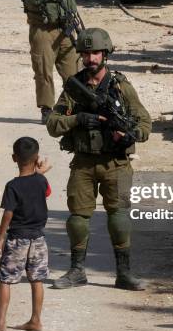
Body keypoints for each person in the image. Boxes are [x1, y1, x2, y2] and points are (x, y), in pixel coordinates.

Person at [46, 28, 152, 290]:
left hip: (115, 163)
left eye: (95, 53)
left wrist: (130, 135)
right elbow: (53, 124)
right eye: (85, 53)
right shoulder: (74, 89)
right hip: (83, 162)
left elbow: (144, 122)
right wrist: (79, 119)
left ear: (105, 54)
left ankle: (124, 273)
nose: (90, 58)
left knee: (119, 217)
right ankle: (77, 271)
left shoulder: (121, 86)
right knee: (78, 219)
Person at [0, 137, 52, 331]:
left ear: (14, 158)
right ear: (37, 157)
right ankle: (36, 320)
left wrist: (0, 237)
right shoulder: (41, 180)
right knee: (36, 280)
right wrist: (40, 171)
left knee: (5, 280)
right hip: (38, 238)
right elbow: (46, 192)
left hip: (17, 239)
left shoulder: (12, 186)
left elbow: (8, 213)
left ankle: (0, 323)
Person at [19, 0, 84, 123]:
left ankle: (71, 106)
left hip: (65, 28)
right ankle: (47, 109)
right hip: (43, 30)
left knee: (72, 71)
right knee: (43, 72)